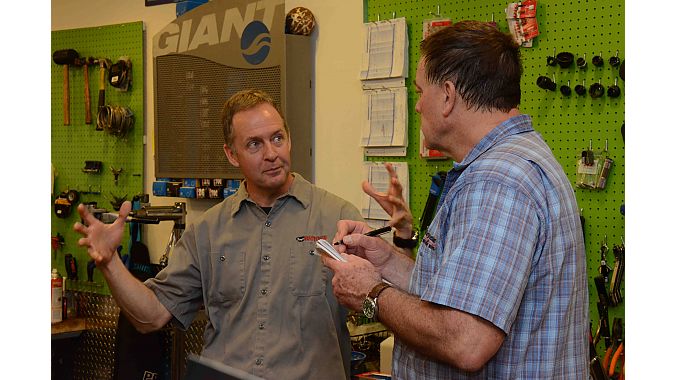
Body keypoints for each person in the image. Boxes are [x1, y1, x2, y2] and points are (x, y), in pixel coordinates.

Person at [322, 21, 589, 379]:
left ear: (447, 96)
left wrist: (371, 292)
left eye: (420, 92)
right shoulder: (517, 160)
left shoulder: (497, 180)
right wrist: (387, 262)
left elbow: (465, 340)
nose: (417, 107)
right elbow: (464, 296)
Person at [74, 89, 364, 379]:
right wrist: (109, 262)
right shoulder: (208, 231)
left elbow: (378, 300)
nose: (271, 154)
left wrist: (400, 242)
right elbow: (151, 316)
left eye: (278, 138)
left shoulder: (337, 217)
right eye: (254, 144)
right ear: (231, 154)